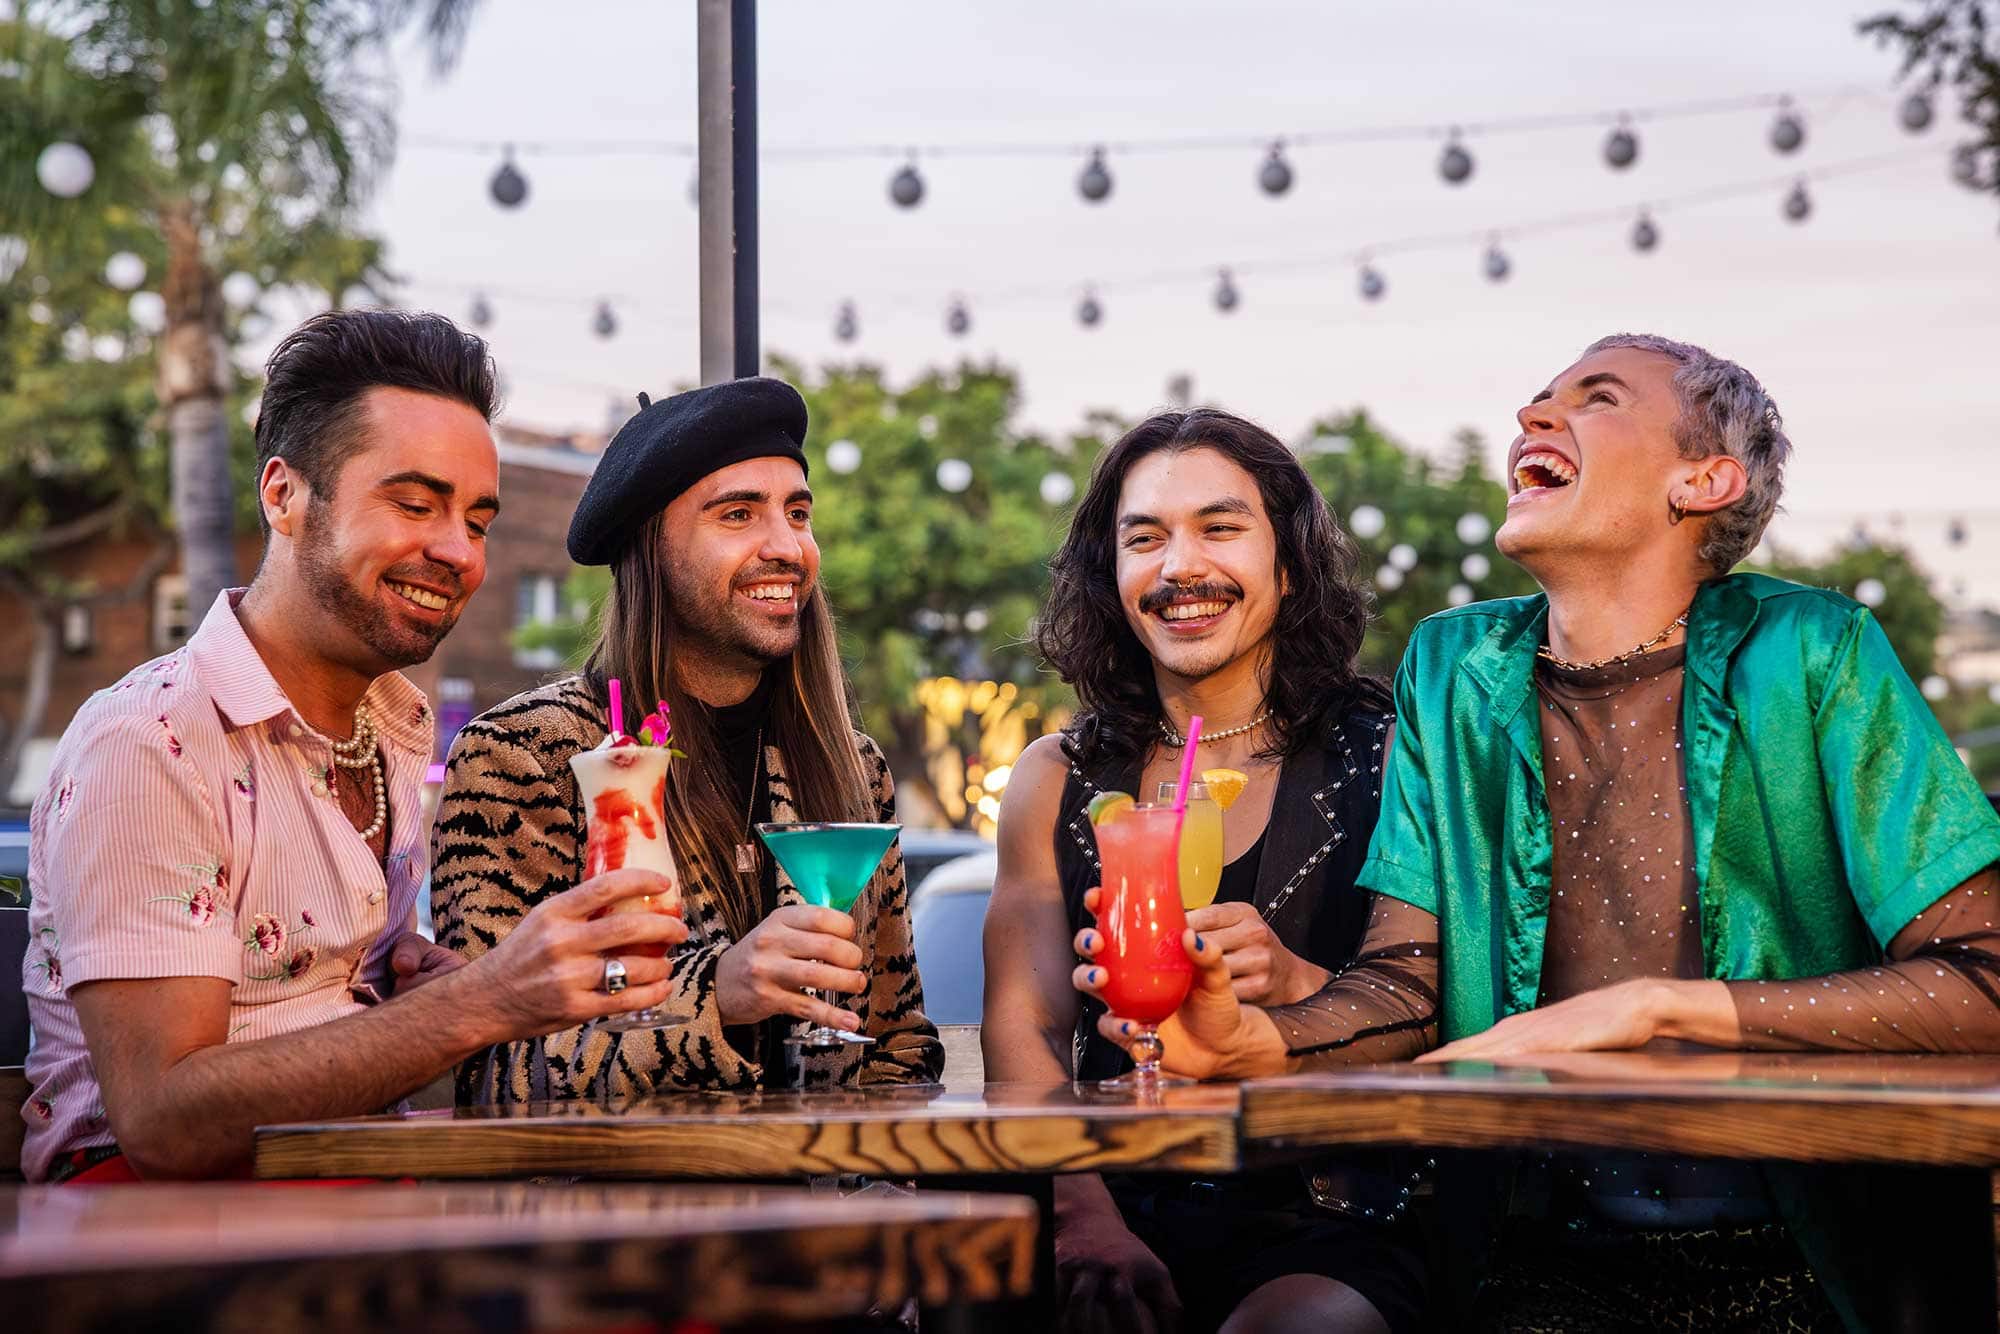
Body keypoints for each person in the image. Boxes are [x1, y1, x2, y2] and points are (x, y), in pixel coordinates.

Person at [1079, 334, 2000, 1330]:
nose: (1530, 414)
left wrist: (1654, 1005)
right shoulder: (1450, 664)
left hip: (1813, 1267)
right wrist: (1256, 1036)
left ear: (1703, 479)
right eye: (1534, 399)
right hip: (1528, 1270)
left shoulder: (1812, 649)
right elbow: (1405, 986)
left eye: (1594, 397)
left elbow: (1983, 974)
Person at [19, 309, 687, 1183]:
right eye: (414, 504)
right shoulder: (152, 742)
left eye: (478, 522)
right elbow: (162, 1120)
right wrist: (484, 1001)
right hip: (155, 1242)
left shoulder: (388, 729)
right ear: (283, 495)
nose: (456, 551)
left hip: (361, 1199)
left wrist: (433, 996)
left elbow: (338, 1038)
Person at [984, 409, 1429, 1334]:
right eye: (1143, 538)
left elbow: (1438, 1005)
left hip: (1334, 1210)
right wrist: (1083, 1221)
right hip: (1109, 1193)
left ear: (1290, 561)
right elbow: (1023, 1029)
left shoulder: (1394, 751)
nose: (1180, 566)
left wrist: (1301, 989)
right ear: (1110, 576)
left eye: (1220, 528)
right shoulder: (1055, 777)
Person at [432, 377, 941, 1096]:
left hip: (823, 1204)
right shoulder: (522, 758)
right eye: (737, 514)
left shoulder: (853, 767)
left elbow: (899, 1049)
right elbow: (484, 1072)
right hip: (630, 1204)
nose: (787, 546)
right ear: (651, 550)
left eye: (798, 513)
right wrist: (716, 996)